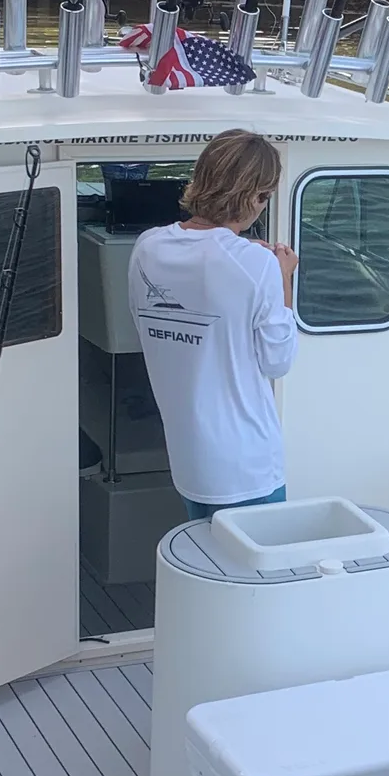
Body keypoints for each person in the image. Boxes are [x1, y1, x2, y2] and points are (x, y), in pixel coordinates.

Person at [128, 129, 298, 521]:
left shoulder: (147, 248)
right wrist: (283, 277)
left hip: (188, 461)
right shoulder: (258, 266)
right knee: (254, 579)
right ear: (257, 196)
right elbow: (278, 361)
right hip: (248, 469)